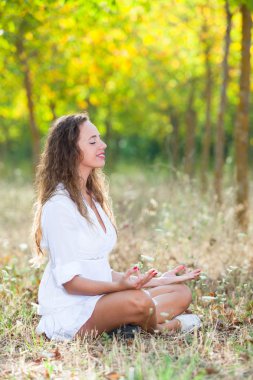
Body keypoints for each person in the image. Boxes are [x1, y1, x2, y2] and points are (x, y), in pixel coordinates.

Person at [33, 112, 201, 341]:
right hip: (73, 311)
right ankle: (163, 327)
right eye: (92, 141)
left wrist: (157, 280)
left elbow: (97, 268)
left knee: (180, 292)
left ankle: (124, 323)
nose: (102, 144)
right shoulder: (59, 206)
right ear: (70, 150)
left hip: (101, 300)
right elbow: (71, 283)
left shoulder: (92, 197)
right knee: (139, 300)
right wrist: (122, 288)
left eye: (99, 138)